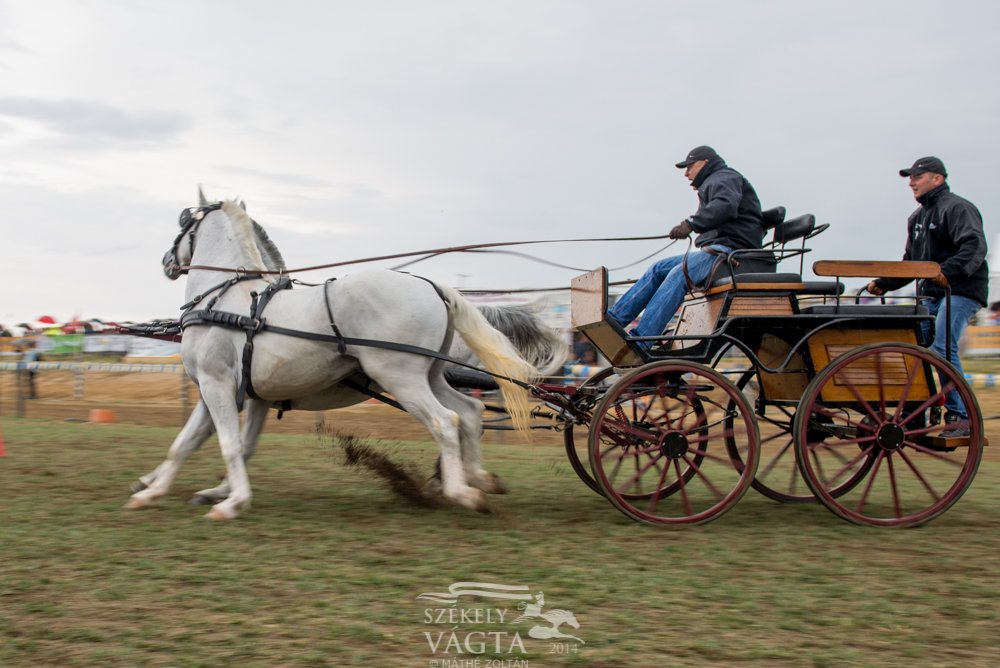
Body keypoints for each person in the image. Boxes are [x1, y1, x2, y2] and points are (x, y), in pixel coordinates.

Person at [867, 156, 988, 438]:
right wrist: (884, 283)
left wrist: (949, 272)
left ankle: (961, 416)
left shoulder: (957, 208)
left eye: (917, 177)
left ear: (937, 178)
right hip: (931, 293)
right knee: (913, 349)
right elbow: (911, 262)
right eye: (910, 178)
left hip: (959, 290)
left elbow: (974, 245)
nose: (911, 182)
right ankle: (914, 414)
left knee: (942, 348)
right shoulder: (917, 218)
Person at [608, 145, 765, 342]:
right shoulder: (715, 181)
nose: (686, 173)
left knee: (679, 273)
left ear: (705, 163)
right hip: (717, 251)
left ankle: (642, 340)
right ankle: (614, 320)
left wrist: (691, 224)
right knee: (658, 269)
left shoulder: (723, 177)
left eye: (689, 167)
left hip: (730, 253)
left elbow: (725, 206)